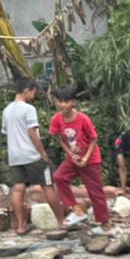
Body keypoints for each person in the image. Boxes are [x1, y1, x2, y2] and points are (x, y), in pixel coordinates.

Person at [0, 77, 65, 236]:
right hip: (32, 155)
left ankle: (21, 226)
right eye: (34, 93)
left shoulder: (7, 110)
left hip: (15, 157)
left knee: (18, 189)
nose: (34, 96)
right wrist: (42, 152)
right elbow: (32, 133)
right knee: (48, 186)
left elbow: (5, 132)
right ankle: (61, 222)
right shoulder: (28, 109)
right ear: (27, 91)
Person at [48, 86, 110, 232]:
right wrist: (71, 154)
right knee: (59, 177)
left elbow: (94, 139)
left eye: (66, 101)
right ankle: (76, 209)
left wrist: (86, 157)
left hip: (91, 159)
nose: (62, 104)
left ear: (73, 102)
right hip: (74, 158)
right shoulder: (57, 119)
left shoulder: (83, 119)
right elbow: (61, 140)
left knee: (95, 191)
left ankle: (105, 222)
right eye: (60, 101)